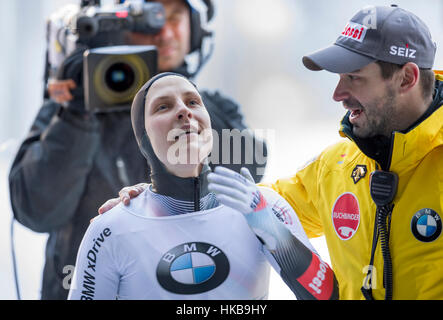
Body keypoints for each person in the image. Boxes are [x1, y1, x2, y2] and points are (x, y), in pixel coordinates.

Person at [107, 5, 443, 300]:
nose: (338, 94)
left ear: (406, 79)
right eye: (339, 77)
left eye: (354, 78)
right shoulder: (334, 167)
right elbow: (247, 206)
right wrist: (157, 200)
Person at [8, 0, 266, 300]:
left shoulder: (210, 108)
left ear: (195, 29)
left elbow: (249, 171)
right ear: (120, 29)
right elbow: (37, 212)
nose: (165, 32)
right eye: (147, 21)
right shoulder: (71, 110)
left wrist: (180, 103)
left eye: (174, 17)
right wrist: (78, 114)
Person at [68, 72, 338, 300]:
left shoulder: (262, 205)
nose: (184, 111)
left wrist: (273, 232)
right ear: (144, 139)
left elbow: (328, 294)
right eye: (163, 106)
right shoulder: (110, 229)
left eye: (193, 102)